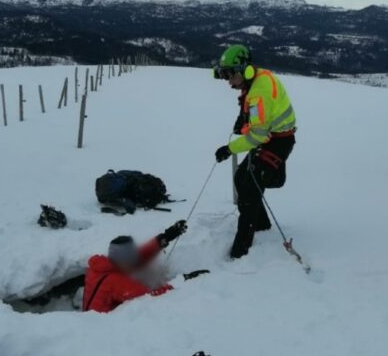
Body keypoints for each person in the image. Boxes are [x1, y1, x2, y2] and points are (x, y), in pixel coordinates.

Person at [213, 44, 297, 259]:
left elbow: (258, 136)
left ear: (244, 70)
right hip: (270, 137)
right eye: (223, 75)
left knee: (250, 188)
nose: (227, 80)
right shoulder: (255, 79)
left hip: (278, 142)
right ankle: (261, 224)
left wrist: (229, 149)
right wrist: (242, 121)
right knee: (242, 178)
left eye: (230, 74)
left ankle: (241, 249)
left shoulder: (259, 92)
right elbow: (251, 112)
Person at [83, 220, 208, 313]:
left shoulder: (101, 266)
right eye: (131, 261)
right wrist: (181, 281)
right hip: (102, 330)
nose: (135, 264)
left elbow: (139, 257)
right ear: (122, 261)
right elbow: (148, 296)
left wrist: (165, 238)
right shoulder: (116, 281)